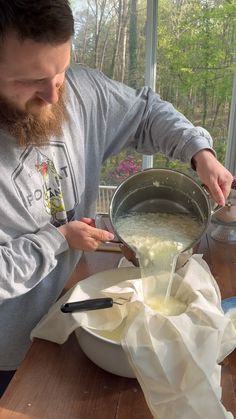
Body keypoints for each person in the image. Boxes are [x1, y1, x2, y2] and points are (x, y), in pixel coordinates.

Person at [0, 0, 233, 396]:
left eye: (61, 70)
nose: (55, 95)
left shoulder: (79, 92)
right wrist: (56, 240)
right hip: (8, 351)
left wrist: (199, 152)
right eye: (31, 81)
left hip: (67, 314)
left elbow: (145, 113)